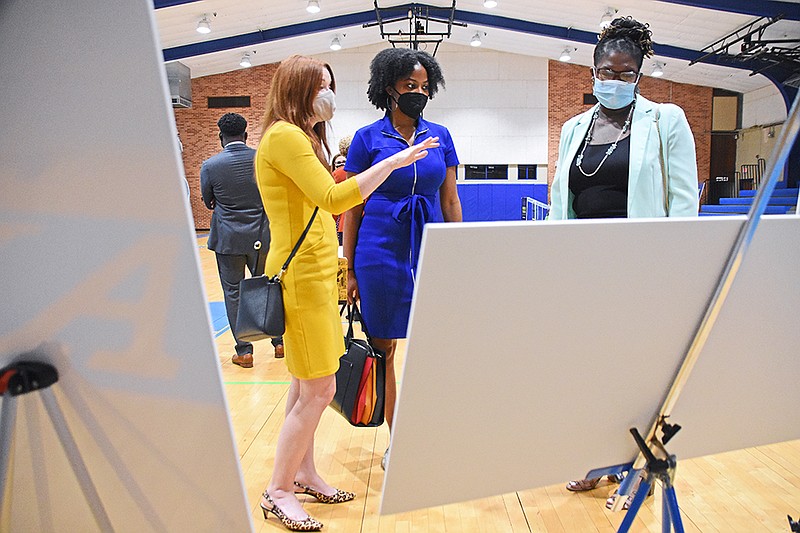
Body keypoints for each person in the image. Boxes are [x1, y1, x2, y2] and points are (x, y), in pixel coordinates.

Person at [254, 55, 438, 531]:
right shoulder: (286, 136)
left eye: (331, 85)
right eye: (320, 86)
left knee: (302, 387)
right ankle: (277, 490)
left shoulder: (304, 138)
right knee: (320, 389)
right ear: (296, 89)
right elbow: (336, 200)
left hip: (315, 274)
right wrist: (395, 161)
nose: (328, 94)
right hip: (300, 278)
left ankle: (303, 473)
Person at [549, 16, 698, 506]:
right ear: (593, 71)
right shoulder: (573, 128)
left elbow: (683, 202)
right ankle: (592, 459)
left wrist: (676, 270)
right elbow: (562, 202)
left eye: (626, 72)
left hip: (643, 267)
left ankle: (636, 469)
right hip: (584, 267)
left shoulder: (666, 120)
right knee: (588, 368)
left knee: (641, 373)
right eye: (606, 72)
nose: (614, 80)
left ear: (639, 73)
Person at [342, 47, 462, 471]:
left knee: (436, 347)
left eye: (425, 87)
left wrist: (456, 256)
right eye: (410, 86)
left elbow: (449, 198)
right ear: (387, 87)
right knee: (385, 349)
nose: (418, 93)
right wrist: (350, 268)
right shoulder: (366, 138)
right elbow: (352, 207)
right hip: (379, 250)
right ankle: (399, 441)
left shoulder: (441, 136)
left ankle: (435, 430)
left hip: (428, 244)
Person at [200, 113, 284, 368]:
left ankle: (244, 351)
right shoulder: (262, 159)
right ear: (246, 136)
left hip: (228, 240)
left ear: (220, 137)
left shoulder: (210, 166)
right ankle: (278, 342)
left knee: (234, 293)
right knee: (267, 286)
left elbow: (208, 202)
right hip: (262, 235)